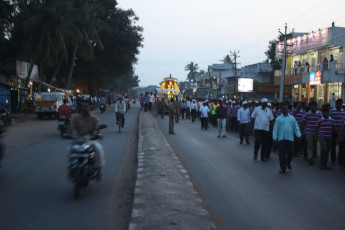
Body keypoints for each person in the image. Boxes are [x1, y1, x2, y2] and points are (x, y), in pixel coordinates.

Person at [70, 101, 104, 181]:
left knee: (98, 149)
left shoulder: (95, 119)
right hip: (78, 140)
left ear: (89, 107)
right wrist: (67, 133)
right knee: (69, 150)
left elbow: (97, 130)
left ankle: (99, 171)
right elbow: (72, 128)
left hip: (90, 140)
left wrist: (98, 134)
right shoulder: (76, 118)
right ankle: (71, 168)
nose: (84, 108)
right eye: (82, 107)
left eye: (85, 107)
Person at [273, 103, 301, 174]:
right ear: (281, 110)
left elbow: (296, 127)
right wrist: (274, 137)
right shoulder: (278, 118)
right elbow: (275, 129)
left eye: (286, 108)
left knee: (291, 153)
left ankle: (288, 163)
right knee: (281, 155)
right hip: (281, 139)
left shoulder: (292, 118)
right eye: (283, 108)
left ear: (288, 109)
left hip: (290, 138)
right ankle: (283, 168)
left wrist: (298, 135)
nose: (285, 110)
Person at [316, 105, 335, 170]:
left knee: (327, 151)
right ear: (322, 113)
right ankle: (322, 164)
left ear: (328, 113)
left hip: (329, 137)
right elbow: (316, 128)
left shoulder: (332, 120)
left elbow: (334, 128)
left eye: (326, 112)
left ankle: (325, 164)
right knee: (324, 149)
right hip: (322, 137)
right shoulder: (320, 120)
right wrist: (317, 135)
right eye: (324, 113)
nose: (325, 114)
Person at [329, 99, 345, 166]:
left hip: (342, 132)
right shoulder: (332, 111)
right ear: (336, 104)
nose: (339, 105)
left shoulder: (343, 112)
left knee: (341, 147)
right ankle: (333, 160)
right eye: (337, 103)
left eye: (340, 103)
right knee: (333, 146)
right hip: (334, 131)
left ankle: (340, 160)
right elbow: (329, 120)